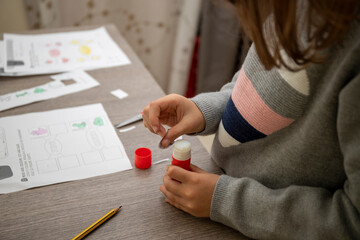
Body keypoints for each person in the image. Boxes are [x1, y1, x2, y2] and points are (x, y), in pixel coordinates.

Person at [142, 0, 360, 239]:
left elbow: (352, 221)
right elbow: (256, 85)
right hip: (223, 195)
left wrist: (227, 201)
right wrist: (203, 110)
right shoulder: (290, 8)